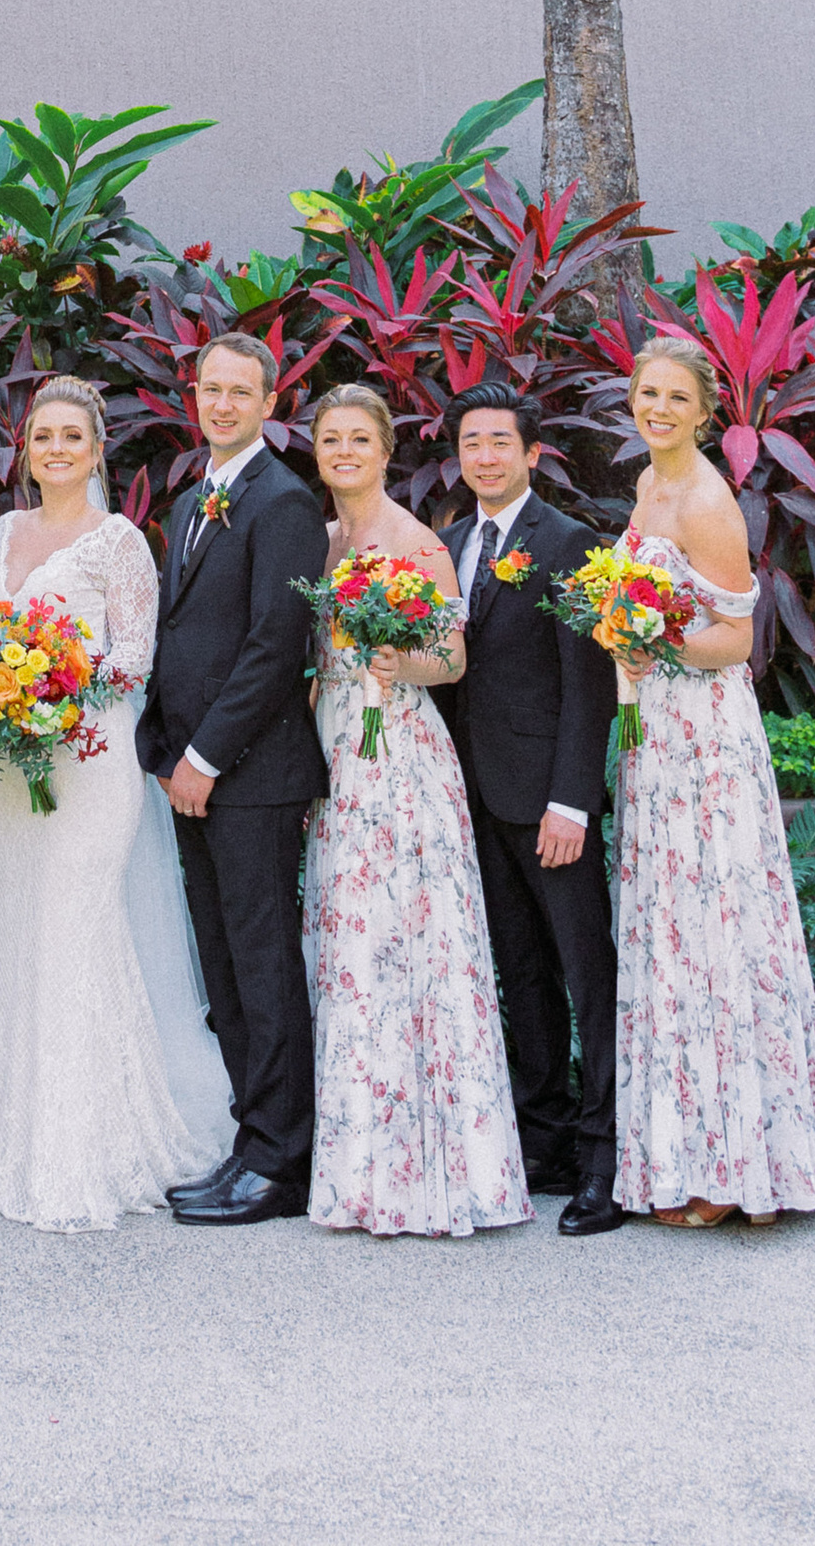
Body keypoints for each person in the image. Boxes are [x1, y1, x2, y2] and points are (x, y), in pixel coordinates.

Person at [0, 377, 233, 1232]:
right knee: (27, 943)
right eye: (41, 437)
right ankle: (22, 1148)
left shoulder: (119, 539)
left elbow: (134, 657)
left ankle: (86, 1153)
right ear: (26, 447)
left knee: (78, 938)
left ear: (96, 450)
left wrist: (56, 682)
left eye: (71, 439)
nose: (54, 451)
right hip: (14, 769)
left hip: (91, 761)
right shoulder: (4, 529)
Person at [613, 334, 815, 1226]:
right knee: (674, 937)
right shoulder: (648, 484)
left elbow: (733, 643)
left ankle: (739, 1170)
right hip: (657, 735)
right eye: (648, 394)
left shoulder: (712, 501)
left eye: (677, 399)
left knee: (718, 936)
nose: (659, 410)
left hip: (707, 737)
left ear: (706, 412)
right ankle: (692, 1154)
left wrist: (649, 641)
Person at [301, 384, 529, 1238]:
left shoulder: (416, 541)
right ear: (317, 451)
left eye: (361, 438)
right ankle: (361, 1166)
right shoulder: (323, 542)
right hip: (336, 752)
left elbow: (454, 657)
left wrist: (398, 655)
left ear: (386, 450)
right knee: (351, 953)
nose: (346, 452)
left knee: (407, 953)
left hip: (397, 759)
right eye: (332, 439)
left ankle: (436, 1170)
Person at [139, 330, 327, 1226]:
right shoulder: (193, 500)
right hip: (191, 771)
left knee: (262, 965)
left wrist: (204, 757)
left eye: (239, 393)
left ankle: (282, 1162)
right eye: (209, 389)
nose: (220, 405)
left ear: (269, 404)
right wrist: (162, 745)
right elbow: (180, 632)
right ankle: (251, 1142)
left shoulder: (282, 502)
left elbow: (272, 647)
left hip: (247, 776)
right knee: (224, 966)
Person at [433, 373, 624, 1236]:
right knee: (521, 976)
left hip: (548, 803)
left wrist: (572, 803)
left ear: (533, 453)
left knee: (588, 976)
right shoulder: (448, 543)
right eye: (471, 443)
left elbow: (589, 688)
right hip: (473, 799)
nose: (484, 456)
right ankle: (542, 1137)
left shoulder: (571, 541)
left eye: (499, 442)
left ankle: (605, 1161)